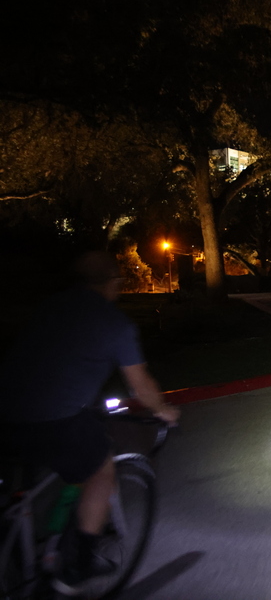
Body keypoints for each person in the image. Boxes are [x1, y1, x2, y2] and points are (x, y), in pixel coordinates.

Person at [0, 251, 180, 595]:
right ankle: (76, 568)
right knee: (100, 470)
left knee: (29, 470)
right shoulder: (115, 324)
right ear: (113, 283)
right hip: (54, 420)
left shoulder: (50, 307)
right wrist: (164, 410)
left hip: (6, 411)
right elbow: (141, 387)